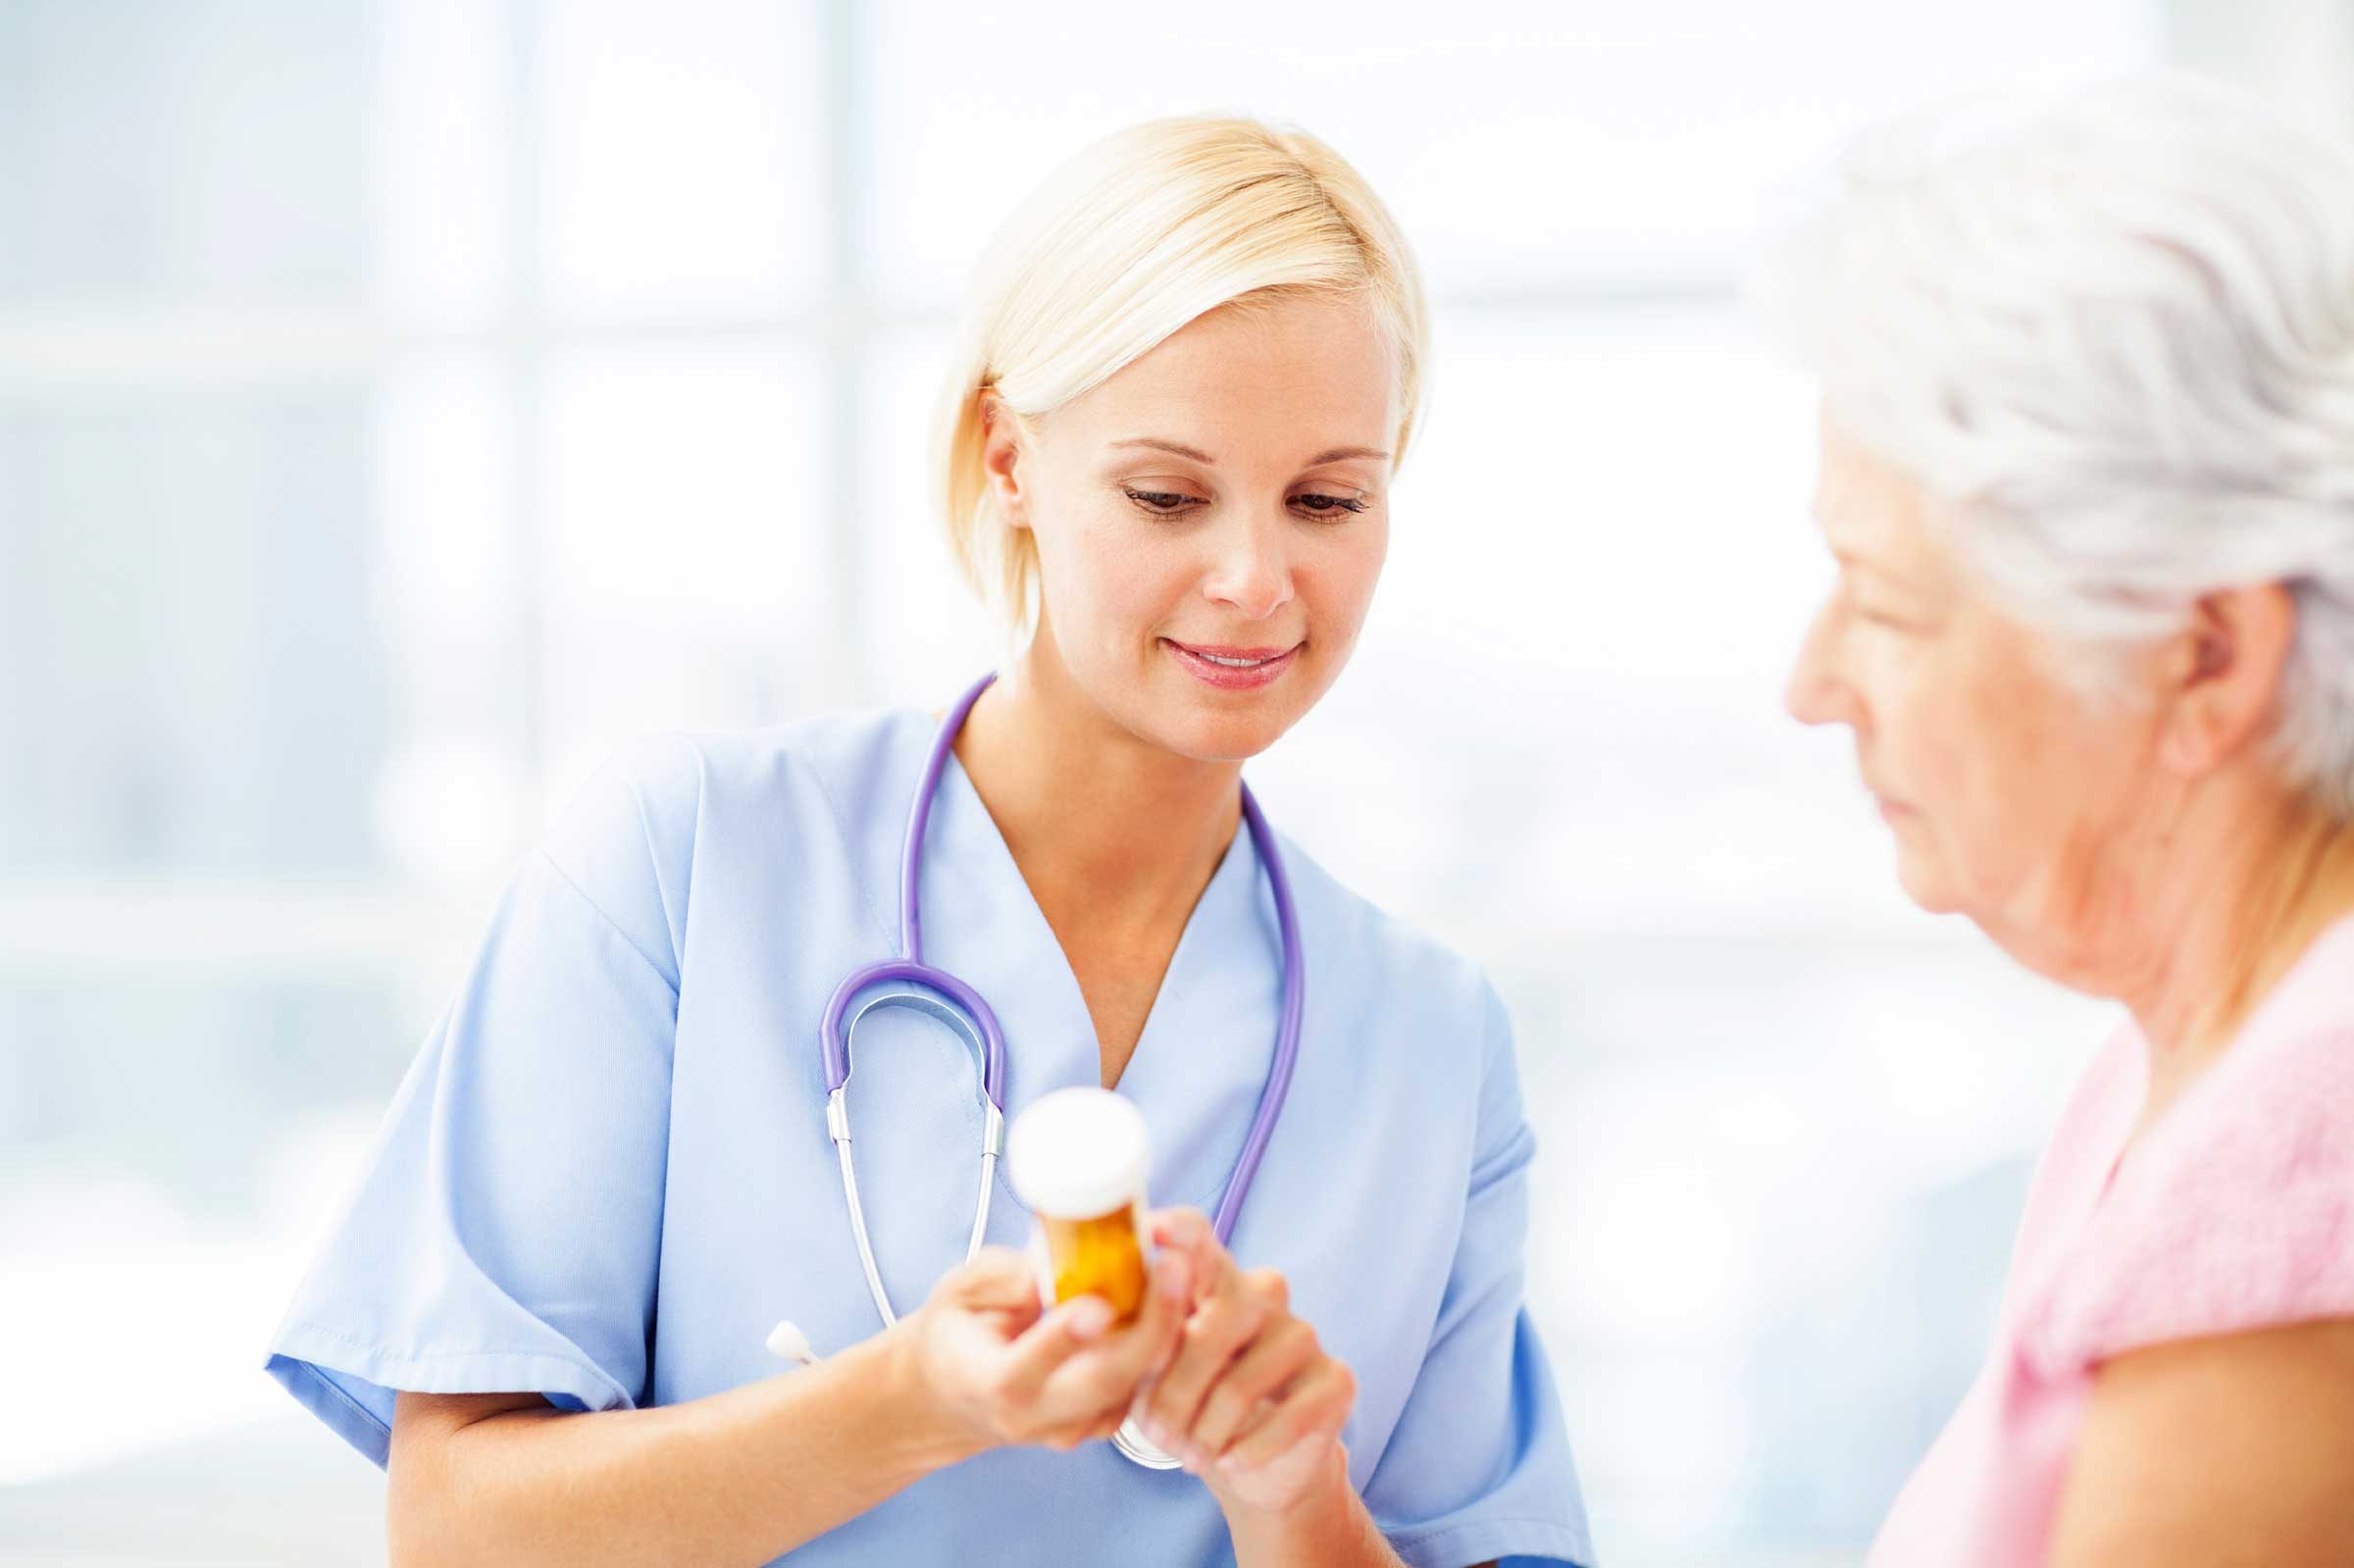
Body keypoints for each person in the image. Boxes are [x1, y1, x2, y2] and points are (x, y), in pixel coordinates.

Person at [263, 115, 1592, 1568]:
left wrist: (1295, 1497)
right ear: (1005, 456)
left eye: (1329, 498)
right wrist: (909, 1403)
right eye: (1168, 494)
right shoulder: (686, 862)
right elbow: (455, 1530)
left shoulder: (1431, 1044)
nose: (1257, 579)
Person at [1767, 74, 2354, 1566]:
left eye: (1889, 605)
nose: (1814, 684)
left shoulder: (2302, 1152)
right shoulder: (2186, 1051)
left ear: (2206, 657)